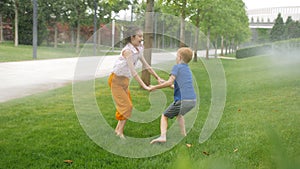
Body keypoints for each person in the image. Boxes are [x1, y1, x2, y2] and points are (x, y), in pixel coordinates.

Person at [108, 26, 163, 139]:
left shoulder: (139, 48)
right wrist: (145, 86)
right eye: (139, 36)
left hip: (125, 81)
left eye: (142, 36)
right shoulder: (127, 51)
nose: (142, 38)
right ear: (132, 37)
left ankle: (117, 130)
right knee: (127, 106)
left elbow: (146, 65)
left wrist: (157, 77)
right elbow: (133, 72)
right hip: (116, 81)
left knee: (127, 106)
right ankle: (120, 132)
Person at [149, 47, 196, 144]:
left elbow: (170, 81)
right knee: (179, 114)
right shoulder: (187, 69)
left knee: (164, 115)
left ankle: (163, 137)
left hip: (182, 100)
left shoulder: (177, 67)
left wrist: (155, 87)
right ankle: (184, 135)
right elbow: (176, 86)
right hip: (192, 100)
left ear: (179, 57)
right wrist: (165, 83)